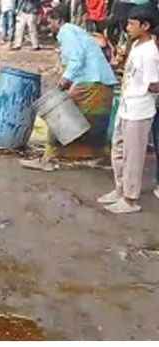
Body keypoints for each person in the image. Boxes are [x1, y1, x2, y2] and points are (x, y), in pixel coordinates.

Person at [24, 7, 117, 170]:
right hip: (98, 79)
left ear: (58, 20)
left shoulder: (66, 32)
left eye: (50, 21)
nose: (48, 25)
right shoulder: (74, 31)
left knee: (58, 113)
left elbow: (76, 59)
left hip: (91, 80)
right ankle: (99, 156)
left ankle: (49, 158)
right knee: (95, 121)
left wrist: (65, 80)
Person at [101, 8, 159, 214]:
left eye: (132, 24)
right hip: (126, 105)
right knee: (118, 149)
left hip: (139, 109)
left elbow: (155, 84)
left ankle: (130, 198)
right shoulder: (135, 45)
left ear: (145, 26)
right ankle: (120, 188)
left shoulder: (151, 52)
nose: (127, 28)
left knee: (133, 156)